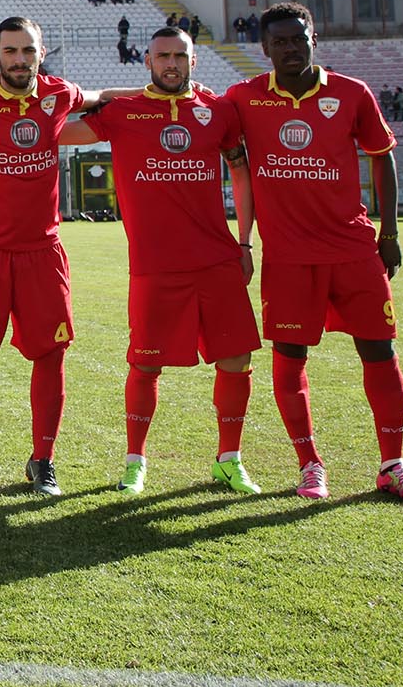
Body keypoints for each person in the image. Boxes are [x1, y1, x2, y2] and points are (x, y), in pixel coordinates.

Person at [0, 17, 140, 497]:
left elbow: (103, 98)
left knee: (51, 355)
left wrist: (161, 87)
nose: (20, 59)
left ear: (41, 53)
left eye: (29, 51)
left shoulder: (58, 94)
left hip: (43, 252)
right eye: (11, 51)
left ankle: (43, 460)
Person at [224, 3, 403, 504]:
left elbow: (382, 158)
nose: (290, 48)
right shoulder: (244, 99)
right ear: (265, 48)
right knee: (290, 358)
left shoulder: (351, 93)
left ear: (313, 38)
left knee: (379, 351)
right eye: (280, 42)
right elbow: (205, 128)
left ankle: (393, 465)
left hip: (354, 250)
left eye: (299, 38)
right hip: (289, 258)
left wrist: (390, 232)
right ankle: (309, 464)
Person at [59, 28, 263, 494]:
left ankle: (229, 459)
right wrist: (107, 95)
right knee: (145, 364)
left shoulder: (219, 112)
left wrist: (245, 242)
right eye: (163, 56)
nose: (172, 64)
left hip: (217, 259)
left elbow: (241, 170)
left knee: (235, 358)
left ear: (195, 61)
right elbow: (52, 131)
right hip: (155, 264)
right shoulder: (125, 112)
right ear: (147, 61)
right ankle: (135, 461)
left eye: (180, 56)